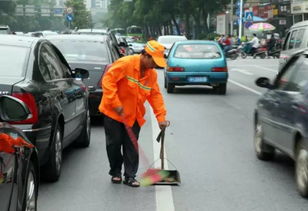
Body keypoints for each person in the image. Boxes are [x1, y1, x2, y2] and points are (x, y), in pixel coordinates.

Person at [99, 40, 170, 187]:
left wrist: (161, 118)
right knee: (114, 143)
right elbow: (108, 81)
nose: (155, 65)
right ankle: (116, 172)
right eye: (154, 61)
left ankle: (130, 176)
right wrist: (116, 104)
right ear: (146, 55)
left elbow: (155, 95)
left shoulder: (151, 75)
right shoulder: (125, 63)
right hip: (114, 112)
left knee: (131, 145)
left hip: (134, 115)